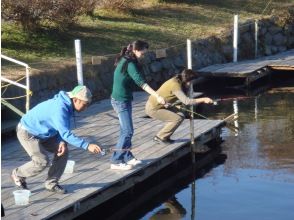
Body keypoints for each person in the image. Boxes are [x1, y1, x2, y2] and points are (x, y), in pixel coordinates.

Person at [11, 85, 102, 194]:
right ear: (75, 100)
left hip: (46, 132)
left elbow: (61, 128)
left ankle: (51, 183)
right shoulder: (60, 108)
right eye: (84, 104)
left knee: (62, 152)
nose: (86, 108)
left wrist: (61, 141)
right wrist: (87, 146)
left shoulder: (68, 105)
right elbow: (66, 133)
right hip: (28, 132)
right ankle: (18, 174)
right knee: (41, 161)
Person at [110, 40, 165, 170]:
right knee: (128, 131)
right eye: (142, 52)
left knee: (126, 130)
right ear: (135, 50)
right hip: (120, 101)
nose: (144, 54)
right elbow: (141, 83)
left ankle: (127, 156)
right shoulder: (129, 63)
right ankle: (116, 160)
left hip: (125, 99)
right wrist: (157, 96)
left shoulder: (127, 59)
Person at [145, 69, 213, 144]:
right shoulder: (175, 85)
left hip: (161, 105)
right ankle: (159, 137)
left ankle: (166, 136)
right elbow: (187, 101)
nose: (191, 84)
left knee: (181, 115)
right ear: (187, 80)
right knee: (177, 119)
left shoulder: (177, 79)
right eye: (191, 82)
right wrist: (204, 99)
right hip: (153, 108)